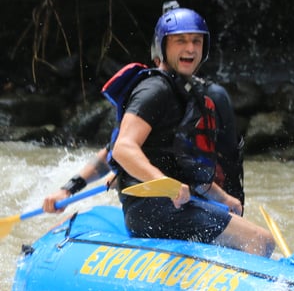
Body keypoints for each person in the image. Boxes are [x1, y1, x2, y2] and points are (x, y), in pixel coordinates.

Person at [108, 4, 273, 257]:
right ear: (163, 46)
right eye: (181, 41)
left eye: (197, 41)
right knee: (262, 241)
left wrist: (222, 198)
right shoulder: (155, 89)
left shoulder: (186, 93)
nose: (190, 49)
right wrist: (164, 184)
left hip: (173, 204)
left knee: (254, 237)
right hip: (151, 209)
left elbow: (185, 167)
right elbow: (123, 147)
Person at [43, 79, 244, 213]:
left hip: (213, 197)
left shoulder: (205, 101)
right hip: (180, 199)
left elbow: (214, 169)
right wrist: (68, 189)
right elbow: (110, 154)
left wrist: (224, 199)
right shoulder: (155, 100)